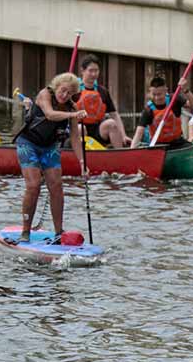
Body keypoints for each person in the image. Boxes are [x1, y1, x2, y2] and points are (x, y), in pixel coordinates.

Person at [14, 73, 84, 245]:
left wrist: (83, 163)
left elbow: (75, 137)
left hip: (49, 147)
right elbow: (50, 114)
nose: (65, 95)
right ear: (56, 86)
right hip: (28, 143)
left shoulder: (71, 108)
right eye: (63, 90)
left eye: (69, 93)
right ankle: (25, 231)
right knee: (33, 185)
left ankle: (59, 232)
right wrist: (72, 116)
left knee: (57, 185)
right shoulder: (44, 95)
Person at [73, 56, 131, 149]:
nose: (94, 74)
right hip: (79, 128)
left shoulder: (102, 91)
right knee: (81, 128)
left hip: (98, 129)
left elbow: (114, 115)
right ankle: (81, 157)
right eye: (90, 71)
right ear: (82, 71)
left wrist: (123, 135)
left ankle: (120, 155)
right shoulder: (74, 89)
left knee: (111, 123)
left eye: (96, 71)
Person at [130, 75, 190, 147]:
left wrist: (186, 90)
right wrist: (132, 149)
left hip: (178, 142)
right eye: (154, 94)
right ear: (150, 92)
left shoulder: (174, 99)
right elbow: (139, 132)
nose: (156, 98)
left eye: (159, 94)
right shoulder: (148, 110)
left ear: (166, 91)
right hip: (158, 145)